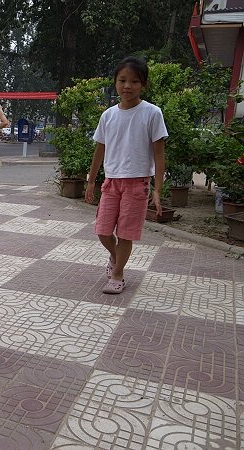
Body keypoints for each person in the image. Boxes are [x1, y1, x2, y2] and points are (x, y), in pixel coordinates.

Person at [85, 56, 168, 295]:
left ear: (143, 85)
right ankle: (116, 256)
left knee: (125, 233)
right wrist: (91, 181)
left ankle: (118, 274)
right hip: (111, 181)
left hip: (138, 182)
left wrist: (158, 190)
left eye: (134, 81)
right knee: (102, 231)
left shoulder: (152, 113)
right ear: (115, 83)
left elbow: (159, 154)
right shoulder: (108, 115)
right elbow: (99, 149)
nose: (127, 86)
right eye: (122, 80)